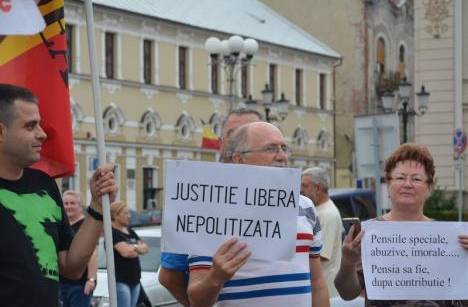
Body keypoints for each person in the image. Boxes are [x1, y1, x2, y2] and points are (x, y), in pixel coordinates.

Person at [187, 121, 329, 307]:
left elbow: (317, 283)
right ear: (239, 160)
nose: (282, 156)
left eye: (284, 148)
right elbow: (196, 301)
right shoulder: (210, 213)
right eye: (271, 149)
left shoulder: (306, 206)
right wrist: (216, 277)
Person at [0, 83, 117, 306]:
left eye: (40, 124)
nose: (42, 134)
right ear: (1, 132)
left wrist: (98, 207)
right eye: (30, 126)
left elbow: (71, 267)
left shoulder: (44, 184)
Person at [334, 142, 468, 306]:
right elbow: (347, 293)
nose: (407, 184)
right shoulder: (368, 234)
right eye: (400, 177)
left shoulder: (450, 238)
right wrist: (347, 262)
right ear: (388, 185)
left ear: (430, 188)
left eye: (417, 179)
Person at [158, 107, 261, 306]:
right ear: (222, 144)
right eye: (233, 135)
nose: (240, 141)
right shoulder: (194, 196)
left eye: (248, 133)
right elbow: (169, 278)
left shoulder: (286, 199)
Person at [301, 166, 342, 298]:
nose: (301, 190)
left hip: (326, 293)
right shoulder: (319, 211)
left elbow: (320, 255)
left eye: (305, 186)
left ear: (318, 189)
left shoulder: (327, 215)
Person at [59, 190, 98, 307]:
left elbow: (93, 253)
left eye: (72, 203)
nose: (68, 206)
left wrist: (91, 279)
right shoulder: (62, 225)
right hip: (61, 283)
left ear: (80, 206)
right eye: (66, 204)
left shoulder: (85, 226)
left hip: (80, 285)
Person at [111, 201, 149, 307]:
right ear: (116, 215)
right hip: (121, 281)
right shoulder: (113, 233)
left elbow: (145, 248)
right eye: (126, 213)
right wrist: (137, 248)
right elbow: (126, 253)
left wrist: (133, 248)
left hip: (135, 280)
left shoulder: (130, 231)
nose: (129, 216)